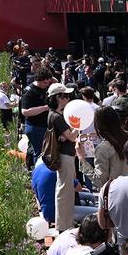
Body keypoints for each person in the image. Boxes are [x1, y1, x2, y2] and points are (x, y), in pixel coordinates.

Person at [46, 82, 79, 228]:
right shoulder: (57, 117)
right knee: (65, 191)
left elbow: (66, 136)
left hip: (64, 154)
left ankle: (64, 223)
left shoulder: (54, 114)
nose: (67, 98)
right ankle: (64, 226)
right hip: (65, 155)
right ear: (58, 98)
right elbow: (72, 136)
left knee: (64, 189)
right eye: (65, 96)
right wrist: (79, 125)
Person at [19, 69, 55, 166]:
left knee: (44, 150)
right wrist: (44, 108)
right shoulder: (29, 92)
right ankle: (38, 173)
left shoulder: (45, 88)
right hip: (35, 126)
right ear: (38, 80)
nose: (46, 85)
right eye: (44, 82)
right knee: (39, 152)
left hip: (44, 125)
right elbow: (25, 112)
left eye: (48, 82)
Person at [91, 105, 128, 190]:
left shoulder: (103, 148)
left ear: (98, 125)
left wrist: (82, 161)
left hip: (114, 194)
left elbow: (100, 181)